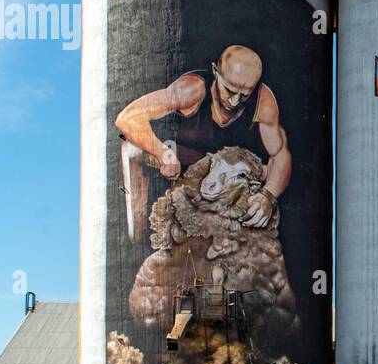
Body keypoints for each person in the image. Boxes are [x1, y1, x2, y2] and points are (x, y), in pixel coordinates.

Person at [116, 44, 290, 236]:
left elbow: (280, 155)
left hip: (213, 170)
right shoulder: (192, 90)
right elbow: (128, 118)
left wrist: (268, 195)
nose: (234, 102)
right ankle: (138, 234)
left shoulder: (263, 100)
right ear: (216, 72)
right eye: (230, 90)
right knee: (133, 148)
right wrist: (161, 153)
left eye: (244, 95)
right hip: (171, 157)